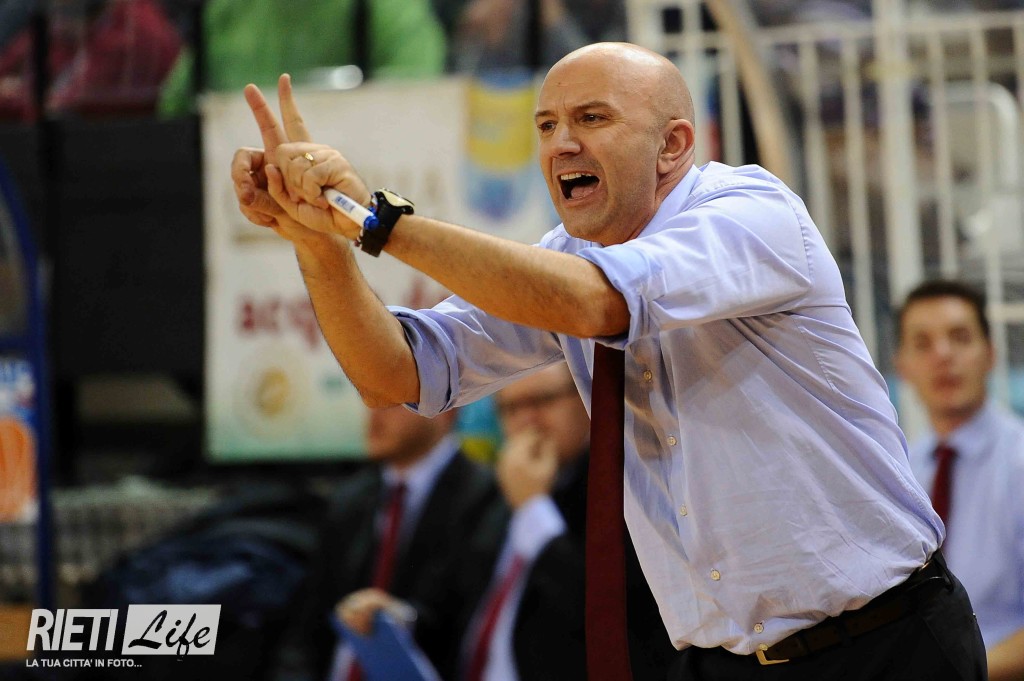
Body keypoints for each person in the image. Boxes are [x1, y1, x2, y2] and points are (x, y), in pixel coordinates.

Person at [233, 42, 986, 680]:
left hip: (884, 646)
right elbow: (394, 374)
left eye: (592, 119)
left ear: (673, 145)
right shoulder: (563, 261)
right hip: (722, 663)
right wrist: (320, 241)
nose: (561, 143)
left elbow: (594, 303)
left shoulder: (753, 213)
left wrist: (377, 221)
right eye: (546, 124)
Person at [338, 363, 673, 680]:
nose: (527, 421)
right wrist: (402, 617)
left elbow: (605, 617)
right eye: (511, 409)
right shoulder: (497, 495)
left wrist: (533, 509)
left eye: (542, 401)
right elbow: (456, 605)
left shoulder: (623, 495)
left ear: (586, 401)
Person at [271, 404, 499, 681]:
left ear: (445, 409)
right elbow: (308, 628)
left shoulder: (487, 499)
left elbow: (465, 624)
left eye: (393, 403)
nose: (375, 413)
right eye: (370, 400)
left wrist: (400, 619)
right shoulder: (349, 500)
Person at [895, 279, 1024, 681]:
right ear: (902, 366)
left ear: (990, 354)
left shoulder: (1018, 463)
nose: (943, 355)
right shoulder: (900, 475)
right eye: (922, 343)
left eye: (960, 337)